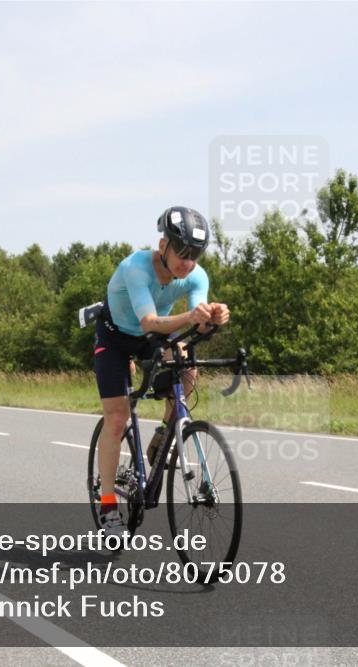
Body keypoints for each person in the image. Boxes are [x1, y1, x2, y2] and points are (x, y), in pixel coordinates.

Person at [94, 206, 229, 537]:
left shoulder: (196, 276)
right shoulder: (136, 268)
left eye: (195, 254)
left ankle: (163, 436)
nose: (188, 261)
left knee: (188, 367)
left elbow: (195, 324)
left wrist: (213, 316)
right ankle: (109, 503)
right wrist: (191, 318)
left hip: (153, 337)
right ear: (163, 245)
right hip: (116, 337)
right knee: (116, 418)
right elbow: (149, 321)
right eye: (181, 251)